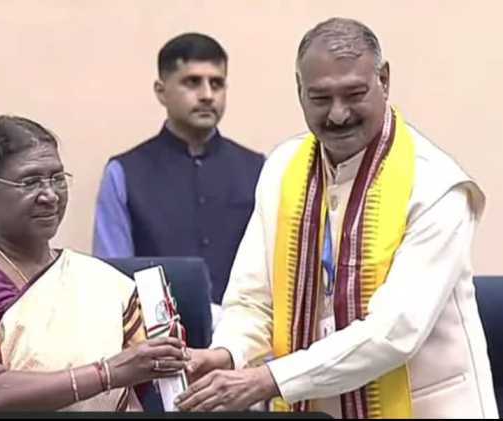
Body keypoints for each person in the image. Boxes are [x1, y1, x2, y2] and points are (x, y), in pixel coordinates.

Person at [175, 17, 499, 418]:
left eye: (354, 94)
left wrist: (268, 379)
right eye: (320, 98)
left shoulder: (437, 186)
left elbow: (394, 332)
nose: (339, 114)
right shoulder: (282, 169)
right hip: (316, 406)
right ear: (299, 90)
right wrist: (228, 353)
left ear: (384, 80)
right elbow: (253, 299)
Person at [0, 116, 188, 417]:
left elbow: (137, 386)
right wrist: (107, 373)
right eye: (30, 182)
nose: (50, 195)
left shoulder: (103, 282)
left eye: (57, 178)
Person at [92, 32, 265, 308]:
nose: (207, 95)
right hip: (155, 331)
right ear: (161, 91)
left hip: (246, 330)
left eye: (217, 84)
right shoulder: (123, 173)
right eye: (192, 82)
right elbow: (112, 278)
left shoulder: (258, 169)